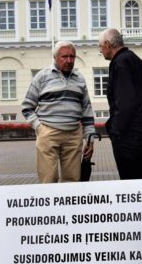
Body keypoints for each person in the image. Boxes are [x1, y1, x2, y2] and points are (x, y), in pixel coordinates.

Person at [22, 41, 96, 183]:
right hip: (48, 133)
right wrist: (39, 128)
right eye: (64, 57)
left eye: (72, 56)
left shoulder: (79, 79)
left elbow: (87, 110)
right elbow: (27, 107)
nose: (69, 60)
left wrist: (90, 139)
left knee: (73, 181)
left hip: (74, 135)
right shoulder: (42, 77)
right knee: (48, 180)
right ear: (55, 57)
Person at [99, 28, 142, 179]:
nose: (100, 50)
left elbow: (124, 102)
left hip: (127, 137)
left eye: (100, 46)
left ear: (107, 44)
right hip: (137, 133)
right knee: (140, 181)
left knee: (131, 182)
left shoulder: (120, 62)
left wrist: (115, 131)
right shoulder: (133, 59)